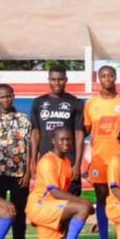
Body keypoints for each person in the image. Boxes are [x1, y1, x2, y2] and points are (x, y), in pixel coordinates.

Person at [3, 128, 94, 239]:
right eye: (62, 139)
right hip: (41, 206)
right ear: (53, 141)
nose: (66, 143)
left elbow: (63, 193)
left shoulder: (66, 162)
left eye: (68, 139)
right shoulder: (47, 161)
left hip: (53, 206)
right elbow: (55, 192)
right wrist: (83, 202)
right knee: (82, 207)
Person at [83, 65, 120, 239]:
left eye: (110, 75)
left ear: (115, 77)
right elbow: (85, 129)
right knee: (101, 197)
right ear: (99, 79)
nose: (107, 79)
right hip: (99, 159)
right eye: (103, 76)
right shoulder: (91, 104)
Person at [0, 84, 31, 239]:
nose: (6, 100)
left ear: (13, 96)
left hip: (19, 174)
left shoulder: (23, 119)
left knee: (19, 210)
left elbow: (29, 146)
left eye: (9, 96)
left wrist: (28, 172)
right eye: (2, 97)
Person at [29, 65, 85, 196]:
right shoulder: (39, 102)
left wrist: (77, 163)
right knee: (47, 196)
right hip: (46, 160)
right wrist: (33, 161)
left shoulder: (75, 103)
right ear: (49, 80)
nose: (57, 83)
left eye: (60, 79)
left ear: (66, 80)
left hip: (68, 160)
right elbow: (35, 133)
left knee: (72, 197)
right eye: (53, 79)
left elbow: (79, 134)